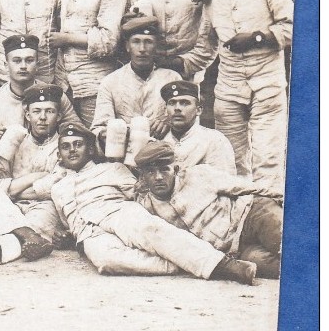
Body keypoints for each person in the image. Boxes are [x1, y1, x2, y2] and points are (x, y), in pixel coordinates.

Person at [49, 122, 258, 284]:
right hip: (89, 233)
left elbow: (140, 189)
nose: (73, 150)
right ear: (60, 154)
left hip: (118, 212)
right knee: (106, 261)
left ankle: (225, 266)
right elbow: (65, 219)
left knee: (153, 231)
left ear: (90, 150)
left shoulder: (111, 169)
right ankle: (184, 263)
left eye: (78, 145)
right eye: (66, 147)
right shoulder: (57, 188)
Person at [201, 0, 293, 189]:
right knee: (230, 159)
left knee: (268, 158)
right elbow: (206, 44)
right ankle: (238, 220)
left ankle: (267, 217)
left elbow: (295, 27)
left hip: (267, 84)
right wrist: (178, 65)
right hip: (229, 88)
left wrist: (256, 38)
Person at [134, 142, 284, 279]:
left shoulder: (199, 175)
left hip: (252, 215)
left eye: (164, 170)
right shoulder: (146, 208)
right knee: (271, 267)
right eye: (151, 172)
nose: (158, 177)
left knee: (288, 246)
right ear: (143, 177)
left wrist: (280, 197)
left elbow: (244, 186)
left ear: (176, 169)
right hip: (237, 248)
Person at [0, 85, 69, 267]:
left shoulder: (65, 145)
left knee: (37, 226)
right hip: (9, 207)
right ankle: (27, 234)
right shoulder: (15, 139)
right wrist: (34, 176)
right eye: (36, 111)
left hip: (44, 207)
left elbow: (54, 188)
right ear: (28, 115)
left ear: (59, 116)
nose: (42, 117)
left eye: (49, 111)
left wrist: (10, 189)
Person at [50, 0, 126, 125]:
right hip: (64, 82)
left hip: (94, 83)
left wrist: (66, 39)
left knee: (96, 139)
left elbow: (108, 41)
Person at [90, 13, 181, 143]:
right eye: (136, 42)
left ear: (156, 47)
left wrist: (169, 124)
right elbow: (98, 128)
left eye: (148, 42)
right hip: (124, 150)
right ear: (127, 46)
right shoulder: (111, 82)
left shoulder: (172, 78)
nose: (142, 49)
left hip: (164, 148)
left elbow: (186, 120)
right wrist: (107, 134)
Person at [0, 34, 77, 146]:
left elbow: (76, 130)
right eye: (17, 61)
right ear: (6, 65)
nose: (23, 66)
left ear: (37, 65)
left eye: (29, 60)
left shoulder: (55, 95)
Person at [159, 80, 235, 172]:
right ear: (165, 110)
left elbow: (224, 181)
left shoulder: (214, 140)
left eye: (184, 103)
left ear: (198, 110)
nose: (177, 108)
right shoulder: (159, 140)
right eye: (172, 103)